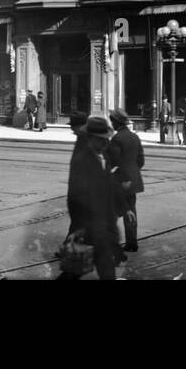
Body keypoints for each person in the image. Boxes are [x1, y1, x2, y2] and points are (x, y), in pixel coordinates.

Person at [58, 116, 118, 280]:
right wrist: (79, 227)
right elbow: (74, 197)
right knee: (74, 272)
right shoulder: (82, 161)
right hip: (89, 227)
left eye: (107, 139)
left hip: (102, 228)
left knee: (101, 270)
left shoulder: (104, 158)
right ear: (91, 139)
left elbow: (108, 195)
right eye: (101, 140)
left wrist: (112, 226)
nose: (106, 143)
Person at [107, 108, 145, 253]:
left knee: (114, 212)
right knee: (130, 210)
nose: (111, 123)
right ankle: (131, 242)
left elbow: (113, 161)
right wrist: (133, 171)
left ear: (117, 122)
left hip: (121, 182)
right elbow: (141, 160)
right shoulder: (135, 137)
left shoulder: (117, 139)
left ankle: (110, 241)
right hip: (133, 180)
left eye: (112, 120)